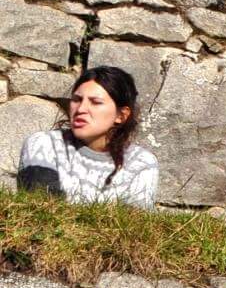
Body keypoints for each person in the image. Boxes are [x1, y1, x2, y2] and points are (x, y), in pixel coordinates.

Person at [13, 66, 159, 208]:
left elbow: (132, 227)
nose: (81, 109)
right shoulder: (44, 144)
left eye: (95, 102)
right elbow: (42, 212)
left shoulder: (140, 162)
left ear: (121, 115)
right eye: (77, 99)